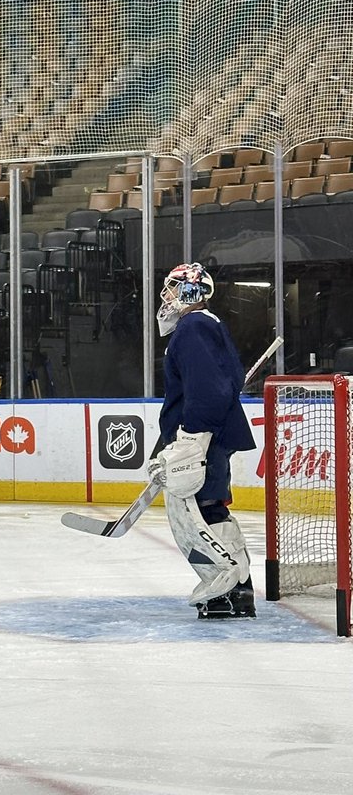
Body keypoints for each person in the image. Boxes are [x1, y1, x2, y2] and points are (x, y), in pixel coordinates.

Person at [148, 262, 256, 619]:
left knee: (197, 511)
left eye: (174, 288)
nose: (167, 296)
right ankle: (237, 590)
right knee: (210, 506)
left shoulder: (194, 327)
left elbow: (208, 390)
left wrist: (192, 437)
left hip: (203, 436)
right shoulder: (202, 325)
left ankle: (226, 590)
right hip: (208, 434)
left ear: (191, 293)